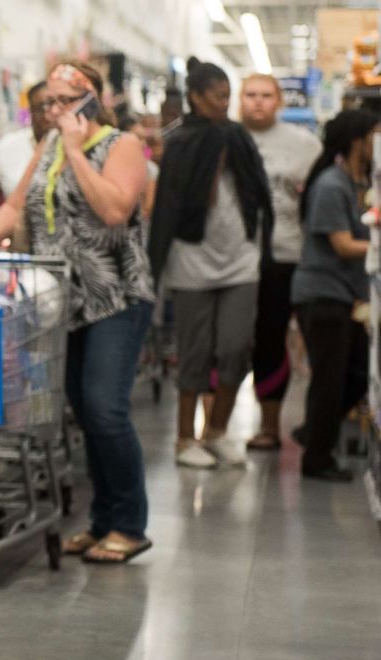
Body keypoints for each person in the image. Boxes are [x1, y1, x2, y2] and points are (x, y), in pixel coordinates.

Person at [0, 60, 155, 564]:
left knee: (106, 409)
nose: (54, 111)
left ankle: (130, 524)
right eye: (48, 102)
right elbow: (15, 202)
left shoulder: (122, 146)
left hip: (116, 296)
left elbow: (115, 211)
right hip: (63, 302)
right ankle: (101, 522)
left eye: (66, 101)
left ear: (94, 100)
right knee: (85, 412)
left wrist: (74, 150)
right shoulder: (47, 147)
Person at [148, 57, 274, 469]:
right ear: (197, 97)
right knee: (194, 352)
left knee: (237, 347)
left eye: (227, 96)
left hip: (240, 258)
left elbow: (259, 194)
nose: (224, 104)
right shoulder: (181, 142)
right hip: (192, 258)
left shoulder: (238, 136)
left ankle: (216, 432)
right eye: (217, 96)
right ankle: (185, 439)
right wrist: (156, 266)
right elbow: (167, 206)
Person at [291, 109, 379, 481]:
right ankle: (317, 458)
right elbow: (342, 245)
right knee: (331, 378)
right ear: (359, 140)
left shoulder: (355, 183)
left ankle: (313, 433)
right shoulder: (331, 185)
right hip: (322, 296)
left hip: (344, 296)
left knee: (356, 372)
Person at [239, 74, 323, 450]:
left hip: (285, 256)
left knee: (271, 342)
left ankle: (270, 426)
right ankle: (215, 428)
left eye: (266, 95)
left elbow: (316, 205)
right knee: (229, 342)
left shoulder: (304, 146)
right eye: (251, 95)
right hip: (231, 258)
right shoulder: (227, 139)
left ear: (279, 102)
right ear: (239, 99)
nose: (258, 102)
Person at [0, 81, 52, 241]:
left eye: (52, 105)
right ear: (30, 110)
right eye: (40, 108)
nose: (47, 114)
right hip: (19, 245)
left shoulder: (74, 148)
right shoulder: (9, 145)